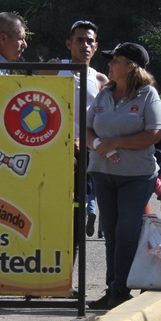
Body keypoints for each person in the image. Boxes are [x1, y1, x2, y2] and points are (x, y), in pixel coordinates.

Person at [85, 42, 161, 310]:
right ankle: (114, 288)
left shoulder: (147, 95)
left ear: (130, 67)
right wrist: (99, 146)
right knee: (111, 231)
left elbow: (154, 133)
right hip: (102, 172)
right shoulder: (104, 94)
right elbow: (86, 128)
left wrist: (115, 143)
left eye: (115, 60)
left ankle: (122, 287)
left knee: (126, 229)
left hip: (137, 175)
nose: (109, 64)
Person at [54, 20, 109, 236]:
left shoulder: (100, 79)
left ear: (96, 46)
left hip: (88, 148)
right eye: (79, 40)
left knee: (84, 190)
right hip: (58, 146)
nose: (84, 45)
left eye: (89, 41)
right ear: (69, 44)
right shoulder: (55, 70)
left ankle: (88, 211)